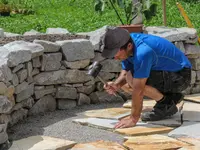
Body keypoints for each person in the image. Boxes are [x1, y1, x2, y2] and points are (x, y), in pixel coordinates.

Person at [101, 26, 191, 129]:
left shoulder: (143, 52)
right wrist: (117, 85)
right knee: (126, 84)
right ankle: (170, 98)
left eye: (115, 53)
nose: (114, 57)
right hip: (168, 73)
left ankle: (166, 104)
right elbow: (125, 72)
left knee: (133, 79)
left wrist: (133, 118)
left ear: (129, 46)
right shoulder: (127, 43)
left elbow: (138, 89)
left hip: (181, 76)